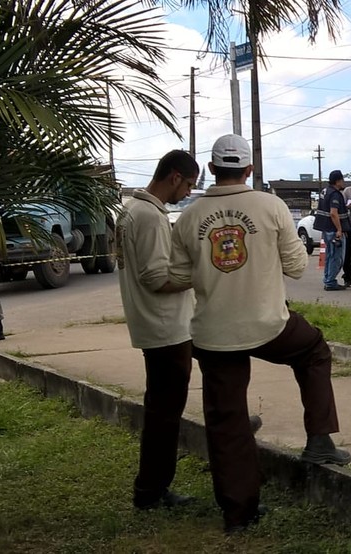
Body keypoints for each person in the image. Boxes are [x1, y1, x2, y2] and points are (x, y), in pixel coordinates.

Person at [170, 134, 351, 534]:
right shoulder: (271, 206)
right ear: (249, 169)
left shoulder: (188, 217)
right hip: (270, 324)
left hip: (213, 333)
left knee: (226, 417)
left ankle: (239, 514)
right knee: (314, 351)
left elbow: (179, 276)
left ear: (213, 169)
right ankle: (319, 440)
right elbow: (297, 267)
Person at [115, 150, 198, 510]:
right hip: (166, 330)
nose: (188, 193)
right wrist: (199, 275)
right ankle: (151, 491)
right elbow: (156, 278)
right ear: (175, 177)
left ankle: (151, 488)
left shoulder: (131, 210)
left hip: (155, 326)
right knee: (164, 414)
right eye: (189, 185)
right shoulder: (148, 216)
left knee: (160, 410)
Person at [314, 169, 349, 291]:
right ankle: (330, 281)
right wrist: (339, 229)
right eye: (342, 179)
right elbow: (333, 213)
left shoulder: (325, 191)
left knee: (330, 255)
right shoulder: (335, 194)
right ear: (338, 181)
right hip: (333, 229)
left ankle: (328, 279)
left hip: (326, 228)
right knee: (336, 257)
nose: (343, 182)